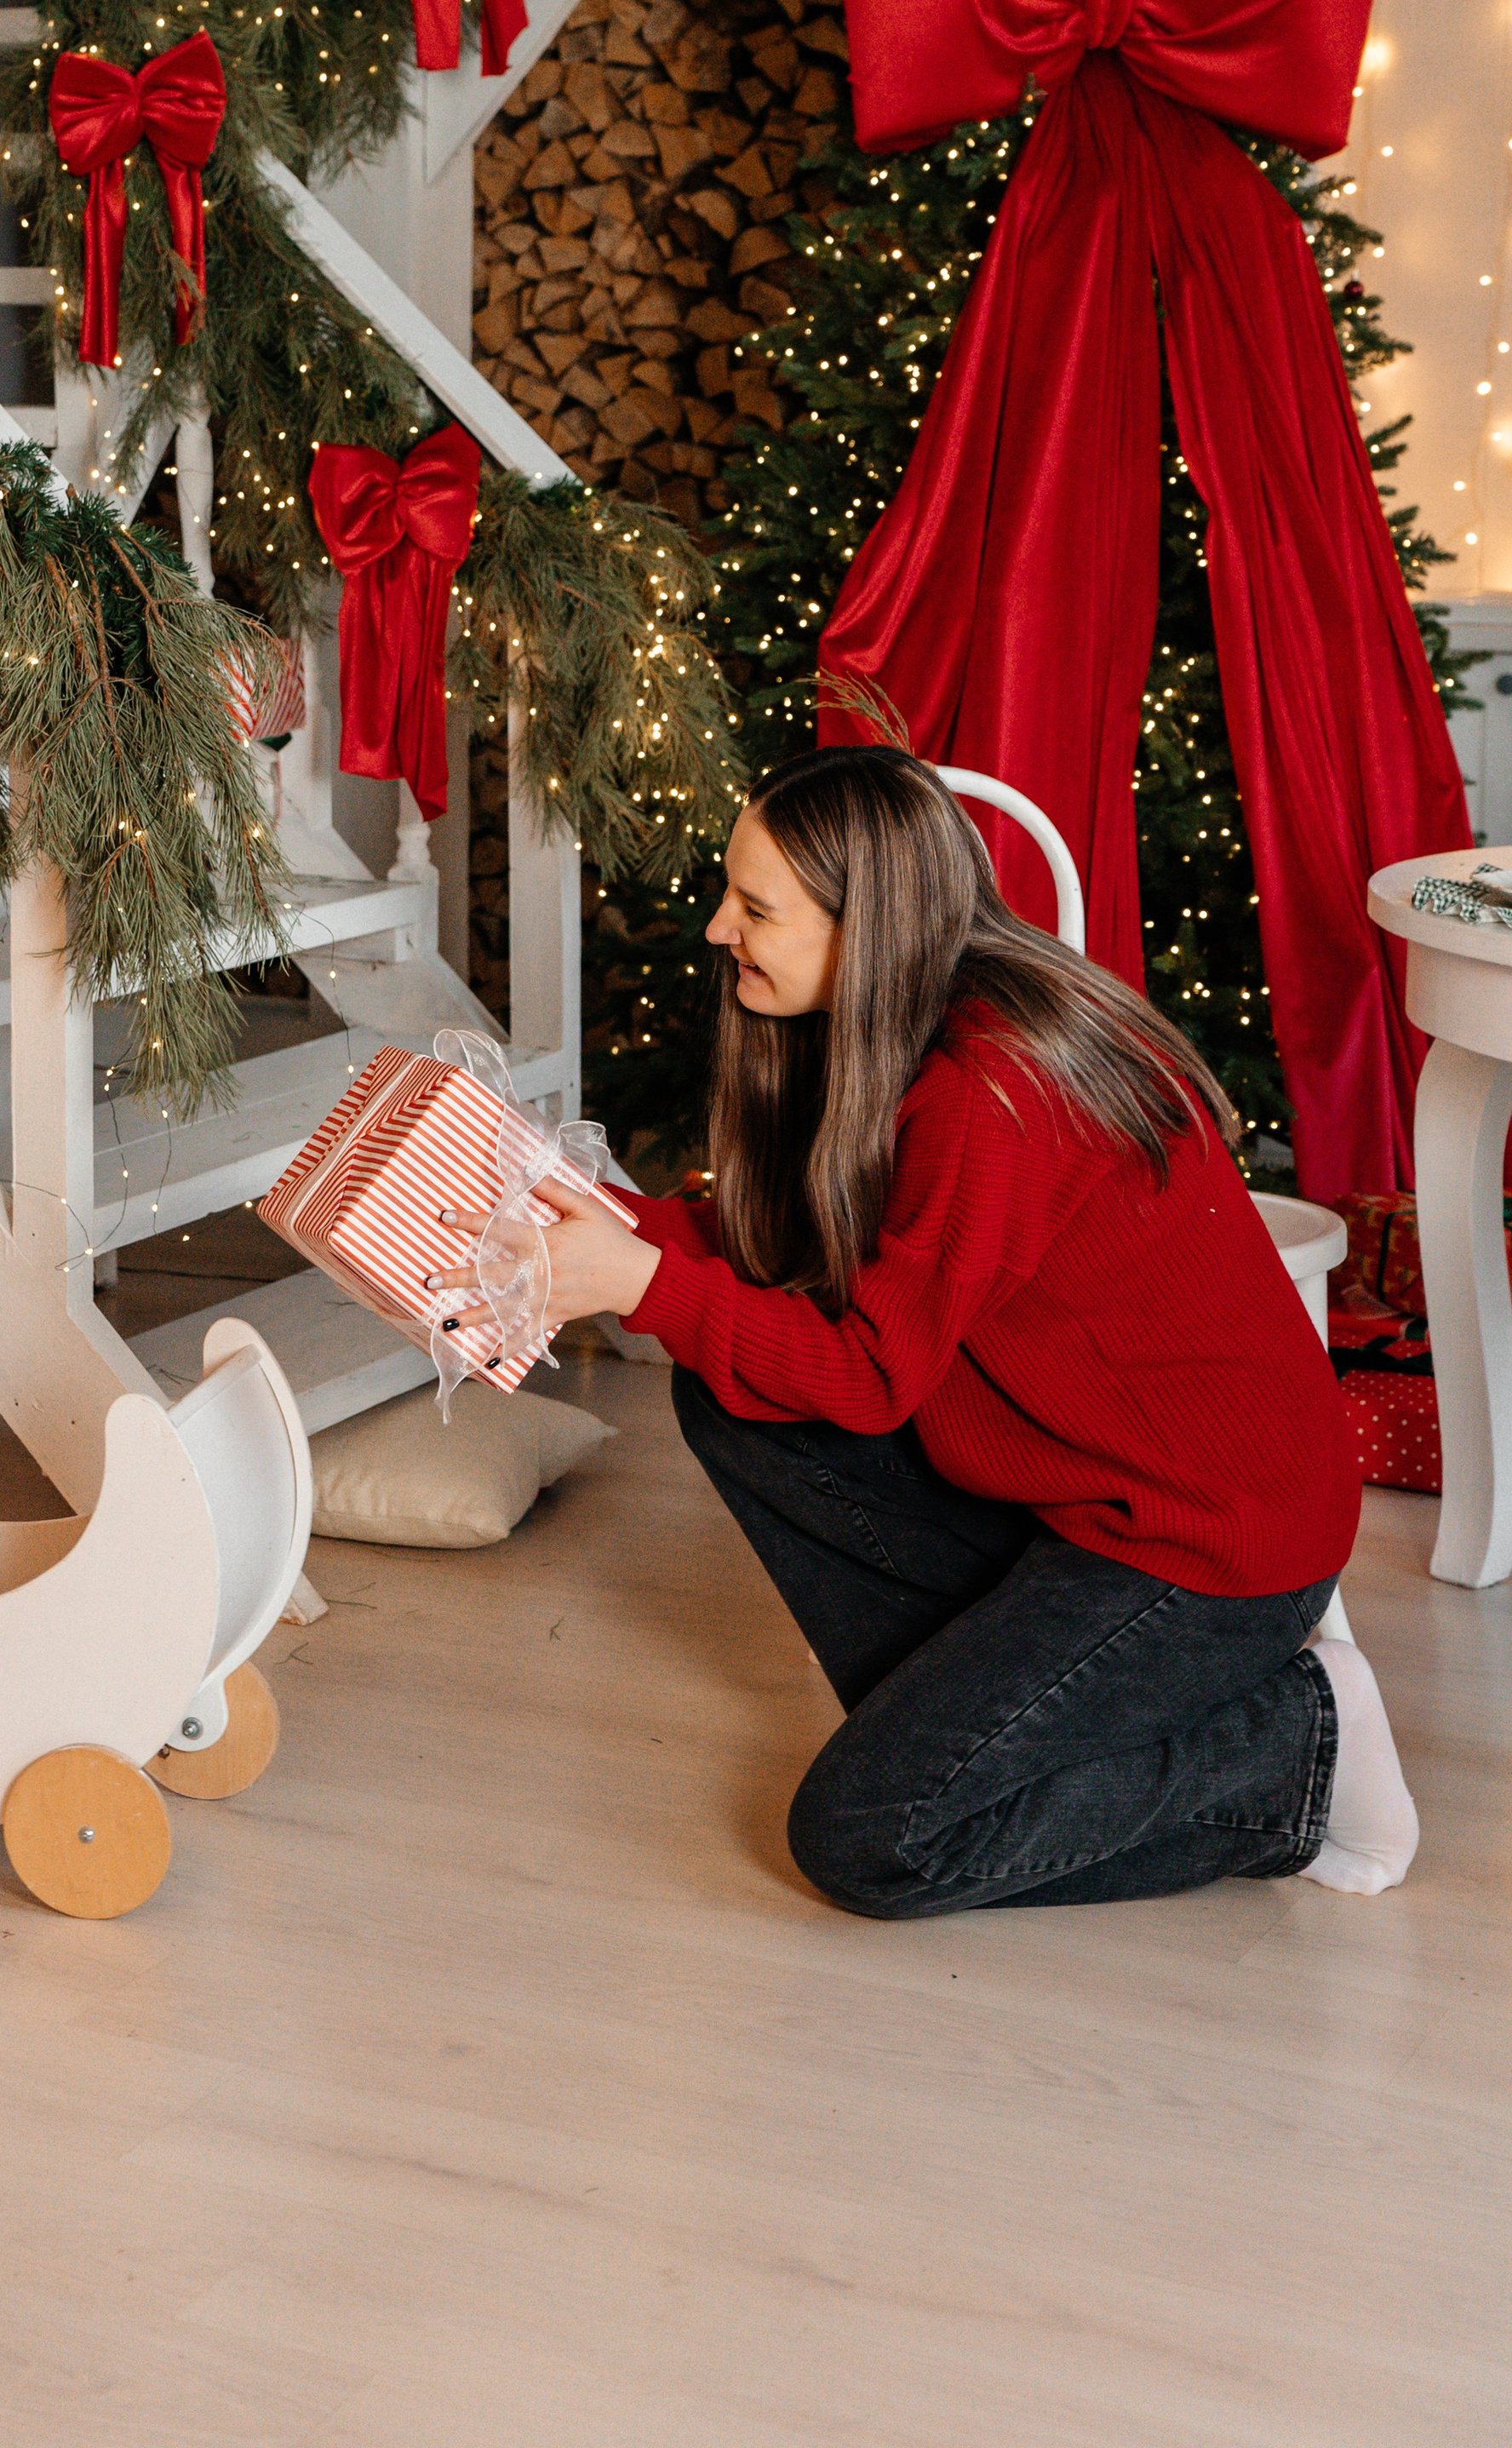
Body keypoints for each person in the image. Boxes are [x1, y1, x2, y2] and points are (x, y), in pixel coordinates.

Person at [533, 745, 1418, 1916]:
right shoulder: (900, 1026)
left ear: (870, 927)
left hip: (1204, 1544)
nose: (716, 929)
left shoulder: (991, 1088)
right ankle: (964, 1726)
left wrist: (644, 1283)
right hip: (1070, 1495)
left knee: (867, 1842)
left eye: (755, 908)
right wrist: (596, 1216)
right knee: (731, 1393)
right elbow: (790, 1252)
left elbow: (870, 1376)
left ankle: (1295, 1740)